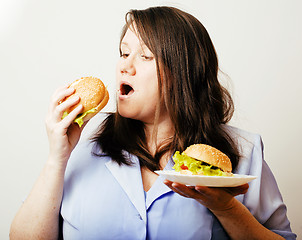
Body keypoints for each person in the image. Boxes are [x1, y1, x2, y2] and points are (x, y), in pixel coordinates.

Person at [10, 6, 296, 240]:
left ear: (185, 72)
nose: (124, 65)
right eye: (124, 53)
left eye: (145, 55)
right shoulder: (81, 149)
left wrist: (226, 208)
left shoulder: (243, 152)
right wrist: (56, 158)